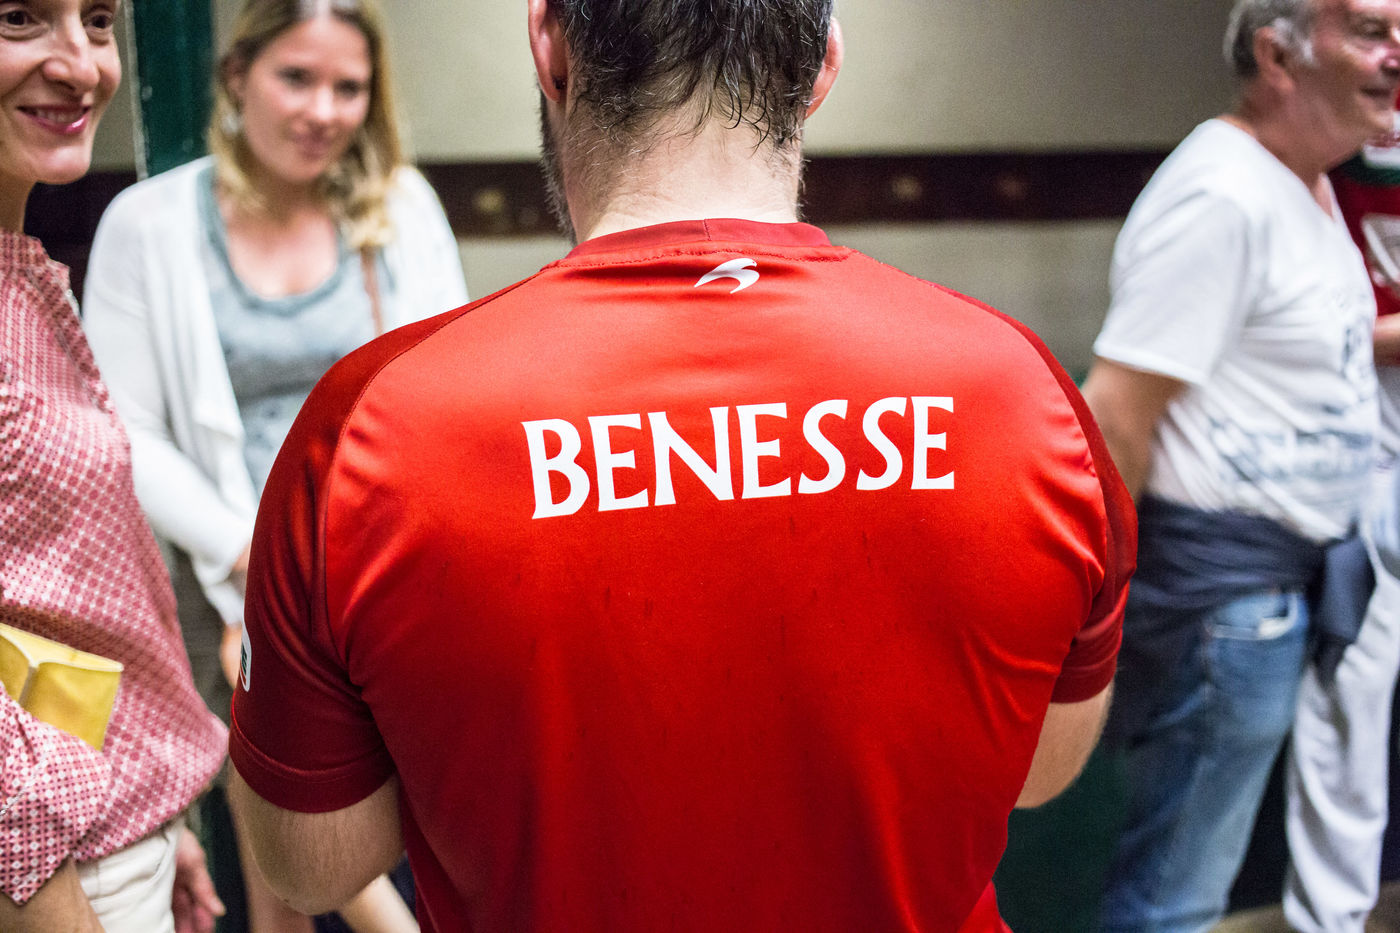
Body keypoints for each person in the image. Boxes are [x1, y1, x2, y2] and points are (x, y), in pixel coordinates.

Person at [227, 1, 1136, 930]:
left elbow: (311, 861)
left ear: (549, 44)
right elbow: (1041, 769)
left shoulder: (370, 430)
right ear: (823, 65)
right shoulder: (1023, 393)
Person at [81, 0, 465, 929]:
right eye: (296, 78)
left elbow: (449, 386)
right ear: (237, 76)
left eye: (348, 87)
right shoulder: (150, 223)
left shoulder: (401, 207)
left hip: (374, 568)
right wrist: (257, 561)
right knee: (275, 841)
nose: (323, 111)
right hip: (223, 569)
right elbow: (128, 430)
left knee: (411, 813)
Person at [1080, 0, 1400, 930]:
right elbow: (1116, 412)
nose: (1398, 56)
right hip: (1222, 603)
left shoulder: (1304, 186)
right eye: (1372, 33)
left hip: (1279, 589)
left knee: (1187, 886)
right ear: (1278, 55)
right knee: (1173, 899)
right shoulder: (1221, 193)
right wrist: (1103, 606)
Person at [0, 0, 229, 931]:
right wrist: (56, 891)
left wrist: (149, 801)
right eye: (20, 19)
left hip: (107, 834)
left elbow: (48, 585)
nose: (82, 65)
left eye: (97, 21)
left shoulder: (18, 265)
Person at [1284, 110, 1400, 933]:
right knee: (1352, 672)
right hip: (1352, 422)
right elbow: (1285, 322)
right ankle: (1330, 918)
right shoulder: (1326, 107)